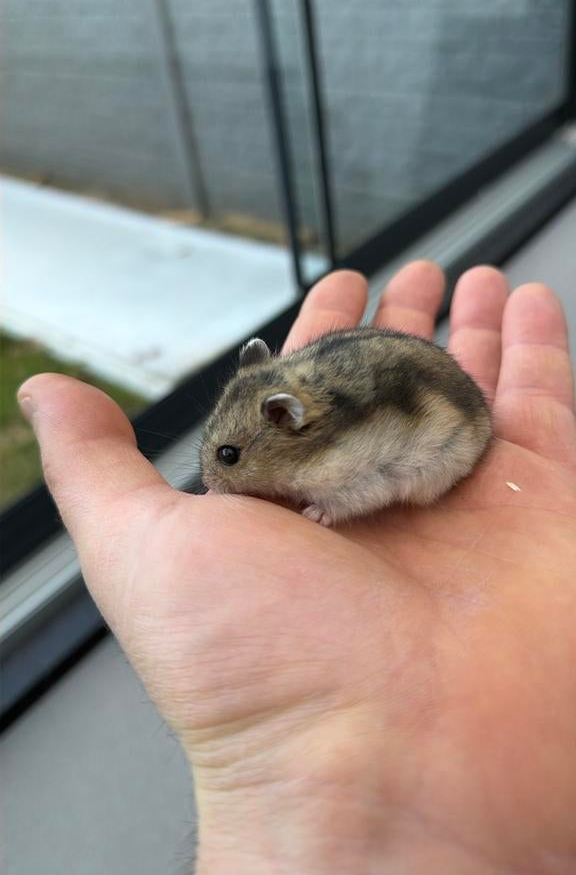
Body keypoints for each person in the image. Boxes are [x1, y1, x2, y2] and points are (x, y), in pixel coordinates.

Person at [18, 261, 576, 874]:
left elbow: (364, 480)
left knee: (409, 483)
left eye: (228, 458)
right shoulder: (289, 412)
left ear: (287, 420)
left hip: (442, 434)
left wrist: (327, 506)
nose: (214, 480)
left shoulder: (334, 457)